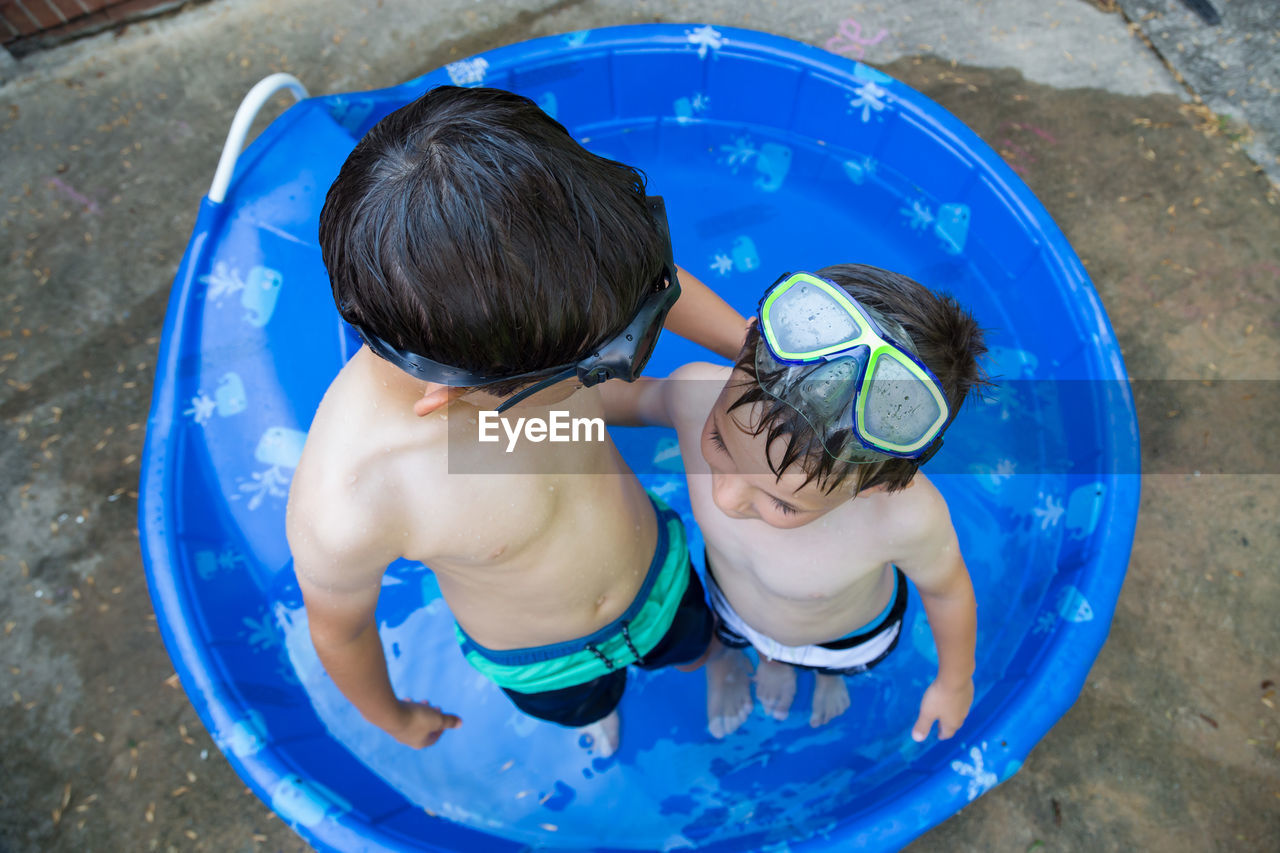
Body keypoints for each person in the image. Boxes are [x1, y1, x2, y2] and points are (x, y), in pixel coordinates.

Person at [286, 86, 744, 757]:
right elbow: (341, 630)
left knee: (695, 641)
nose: (611, 363)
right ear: (450, 394)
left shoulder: (539, 317)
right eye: (601, 361)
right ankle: (595, 706)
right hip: (545, 657)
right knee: (580, 703)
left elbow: (640, 282)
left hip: (660, 575)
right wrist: (393, 715)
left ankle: (706, 660)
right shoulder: (356, 500)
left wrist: (752, 351)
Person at [601, 264, 987, 740]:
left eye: (782, 504)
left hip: (845, 637)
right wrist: (504, 409)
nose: (726, 497)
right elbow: (615, 402)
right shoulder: (694, 395)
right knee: (753, 642)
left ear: (873, 487)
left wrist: (955, 681)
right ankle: (769, 659)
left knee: (838, 666)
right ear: (741, 361)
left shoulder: (904, 516)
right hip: (736, 609)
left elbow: (947, 591)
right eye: (719, 442)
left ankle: (826, 675)